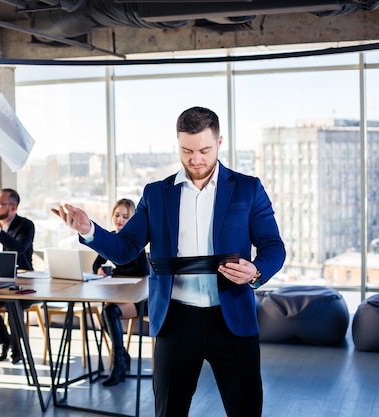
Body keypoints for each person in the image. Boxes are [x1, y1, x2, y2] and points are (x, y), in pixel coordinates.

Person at [52, 106, 285, 417]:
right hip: (175, 321)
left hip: (232, 320)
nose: (196, 159)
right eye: (186, 151)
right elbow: (125, 248)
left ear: (219, 142)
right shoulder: (156, 194)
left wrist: (256, 270)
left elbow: (274, 246)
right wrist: (89, 230)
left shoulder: (248, 188)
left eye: (204, 150)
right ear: (178, 144)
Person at [91, 198, 150, 387]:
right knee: (106, 312)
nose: (120, 219)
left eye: (126, 216)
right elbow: (96, 263)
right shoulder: (109, 238)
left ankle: (118, 365)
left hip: (140, 298)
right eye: (117, 215)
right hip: (119, 294)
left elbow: (142, 271)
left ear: (132, 220)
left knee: (109, 312)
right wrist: (99, 270)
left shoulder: (135, 242)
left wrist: (114, 272)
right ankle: (122, 356)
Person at [0, 188, 36, 364]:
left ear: (13, 208)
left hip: (22, 283)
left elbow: (18, 248)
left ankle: (16, 349)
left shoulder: (25, 226)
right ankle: (4, 341)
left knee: (13, 304)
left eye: (0, 203)